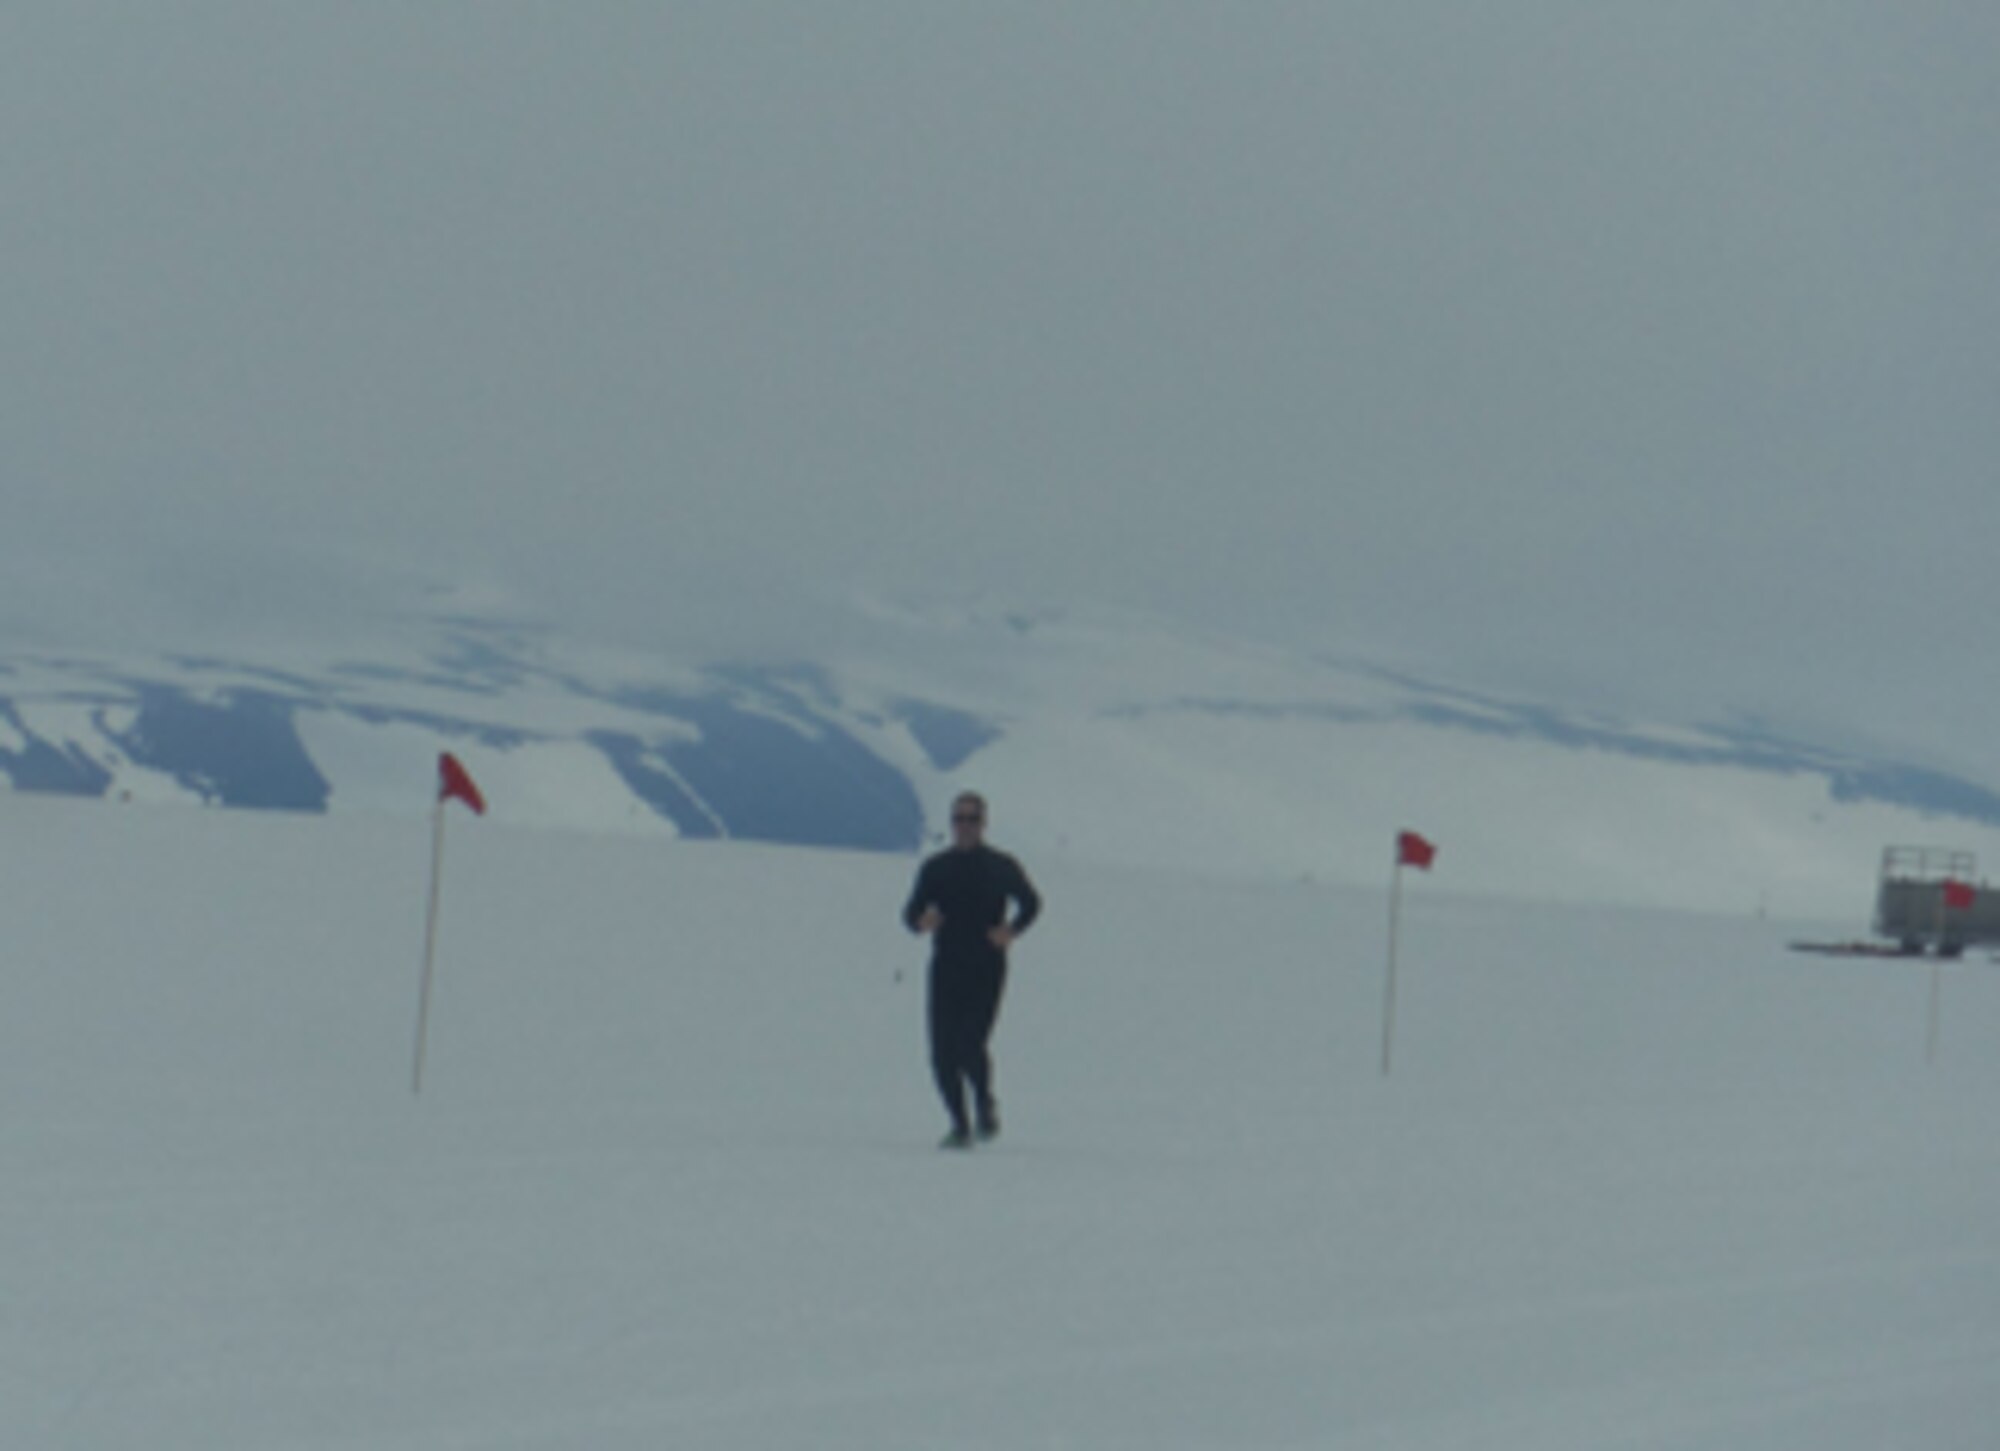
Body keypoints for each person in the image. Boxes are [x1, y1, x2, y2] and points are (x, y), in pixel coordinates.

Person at [903, 791, 1041, 1149]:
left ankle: (984, 1102)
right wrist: (922, 922)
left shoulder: (1000, 866)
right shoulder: (936, 868)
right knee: (940, 1054)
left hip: (986, 967)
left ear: (984, 824)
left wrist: (1011, 930)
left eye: (972, 819)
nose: (964, 826)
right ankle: (959, 1125)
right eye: (959, 819)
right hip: (946, 965)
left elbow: (1031, 902)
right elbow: (910, 913)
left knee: (969, 1044)